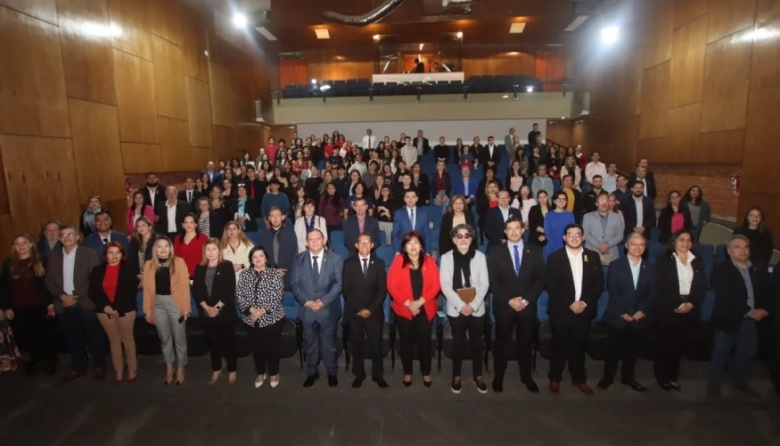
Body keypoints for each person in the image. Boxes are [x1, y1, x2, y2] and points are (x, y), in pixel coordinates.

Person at [707, 235, 771, 398]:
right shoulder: (721, 269)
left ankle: (741, 383)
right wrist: (750, 311)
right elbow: (725, 297)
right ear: (729, 251)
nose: (743, 250)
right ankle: (714, 385)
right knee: (721, 354)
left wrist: (765, 309)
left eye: (746, 247)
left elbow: (767, 293)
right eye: (737, 247)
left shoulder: (758, 269)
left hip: (750, 322)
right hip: (728, 319)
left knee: (746, 354)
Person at [487, 218, 545, 393]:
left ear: (523, 230)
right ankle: (498, 376)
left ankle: (526, 376)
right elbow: (492, 281)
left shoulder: (535, 250)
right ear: (505, 232)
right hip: (504, 305)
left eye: (516, 228)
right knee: (501, 343)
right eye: (509, 229)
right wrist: (509, 300)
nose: (513, 232)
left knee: (525, 343)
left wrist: (525, 300)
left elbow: (539, 279)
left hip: (527, 307)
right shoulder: (495, 251)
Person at [546, 224, 605, 395]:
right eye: (570, 234)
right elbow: (551, 285)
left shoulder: (592, 257)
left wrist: (584, 302)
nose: (574, 237)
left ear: (583, 237)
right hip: (561, 311)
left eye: (578, 234)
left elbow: (598, 284)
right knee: (558, 347)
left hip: (583, 311)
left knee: (579, 347)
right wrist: (570, 303)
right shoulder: (554, 257)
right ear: (564, 238)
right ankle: (555, 378)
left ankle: (578, 379)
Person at [44, 225, 104, 381]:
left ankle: (99, 366)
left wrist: (75, 296)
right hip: (63, 304)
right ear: (59, 239)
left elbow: (93, 278)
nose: (67, 237)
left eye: (70, 234)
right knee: (72, 337)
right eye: (63, 235)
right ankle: (78, 366)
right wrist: (62, 297)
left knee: (94, 336)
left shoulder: (89, 254)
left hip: (85, 302)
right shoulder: (53, 257)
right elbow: (49, 281)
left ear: (77, 237)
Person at [598, 233, 655, 392]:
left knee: (632, 351)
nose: (637, 248)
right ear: (627, 246)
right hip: (619, 314)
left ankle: (628, 378)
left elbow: (652, 293)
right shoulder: (616, 265)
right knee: (613, 351)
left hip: (639, 317)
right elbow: (613, 289)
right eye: (634, 244)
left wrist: (641, 311)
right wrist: (627, 312)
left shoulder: (650, 268)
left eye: (641, 245)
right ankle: (607, 378)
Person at [654, 229, 708, 391]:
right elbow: (662, 286)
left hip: (690, 307)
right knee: (665, 344)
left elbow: (702, 285)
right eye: (681, 240)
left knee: (679, 344)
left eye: (688, 240)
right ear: (674, 241)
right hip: (669, 308)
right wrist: (677, 304)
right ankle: (662, 376)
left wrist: (691, 303)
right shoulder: (664, 260)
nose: (685, 243)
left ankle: (673, 376)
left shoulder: (697, 260)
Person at [439, 224, 490, 394]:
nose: (463, 239)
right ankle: (456, 375)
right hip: (456, 309)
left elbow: (485, 284)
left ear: (471, 238)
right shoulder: (446, 258)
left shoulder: (480, 257)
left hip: (477, 308)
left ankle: (478, 375)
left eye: (466, 236)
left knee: (477, 343)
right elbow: (445, 286)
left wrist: (473, 305)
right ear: (454, 239)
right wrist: (461, 306)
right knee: (458, 343)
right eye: (459, 236)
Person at [291, 229, 344, 388]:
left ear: (324, 240)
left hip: (327, 309)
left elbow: (339, 284)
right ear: (306, 242)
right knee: (310, 343)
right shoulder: (298, 259)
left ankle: (332, 372)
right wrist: (306, 302)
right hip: (306, 310)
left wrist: (323, 302)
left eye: (317, 238)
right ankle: (312, 372)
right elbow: (294, 284)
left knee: (330, 344)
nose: (314, 242)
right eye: (311, 239)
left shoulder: (336, 258)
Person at [387, 231, 441, 387]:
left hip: (425, 309)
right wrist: (409, 304)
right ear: (404, 247)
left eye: (416, 242)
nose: (413, 246)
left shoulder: (430, 261)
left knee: (425, 343)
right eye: (409, 243)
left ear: (422, 246)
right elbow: (392, 286)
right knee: (406, 343)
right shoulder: (398, 261)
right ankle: (407, 372)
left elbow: (436, 285)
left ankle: (426, 372)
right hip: (403, 310)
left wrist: (419, 303)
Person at [1, 233, 57, 376]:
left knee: (45, 334)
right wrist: (6, 307)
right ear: (14, 247)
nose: (21, 246)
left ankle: (49, 360)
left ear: (31, 244)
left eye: (24, 243)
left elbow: (49, 284)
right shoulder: (8, 264)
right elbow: (5, 287)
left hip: (40, 305)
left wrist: (51, 303)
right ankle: (36, 360)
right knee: (28, 335)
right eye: (17, 243)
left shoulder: (41, 261)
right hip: (19, 307)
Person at [142, 237, 191, 386]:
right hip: (157, 304)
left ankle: (181, 366)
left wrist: (186, 309)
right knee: (164, 338)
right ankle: (169, 366)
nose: (163, 249)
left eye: (166, 246)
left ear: (171, 248)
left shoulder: (179, 263)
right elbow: (147, 291)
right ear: (155, 249)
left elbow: (184, 288)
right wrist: (147, 311)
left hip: (175, 303)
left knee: (179, 337)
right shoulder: (149, 265)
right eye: (159, 247)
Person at [342, 233, 388, 389]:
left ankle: (378, 375)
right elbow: (346, 290)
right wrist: (360, 309)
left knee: (376, 345)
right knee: (357, 345)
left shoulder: (380, 263)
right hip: (354, 312)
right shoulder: (348, 263)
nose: (364, 245)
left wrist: (370, 309)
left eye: (367, 242)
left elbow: (382, 290)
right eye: (361, 242)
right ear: (356, 245)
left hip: (374, 312)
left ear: (372, 245)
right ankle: (359, 374)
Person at [88, 242, 139, 383]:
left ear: (122, 255)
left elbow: (131, 291)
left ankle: (132, 369)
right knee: (114, 341)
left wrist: (117, 308)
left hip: (126, 310)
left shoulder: (129, 270)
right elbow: (93, 291)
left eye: (118, 252)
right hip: (104, 311)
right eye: (111, 252)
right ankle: (118, 370)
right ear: (105, 255)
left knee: (127, 340)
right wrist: (106, 307)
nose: (114, 256)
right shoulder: (97, 270)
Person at [235, 246, 286, 388]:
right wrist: (252, 311)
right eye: (254, 256)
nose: (258, 259)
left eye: (261, 256)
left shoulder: (274, 274)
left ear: (266, 259)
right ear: (251, 260)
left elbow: (277, 296)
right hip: (251, 319)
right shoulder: (245, 275)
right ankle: (260, 372)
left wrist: (261, 311)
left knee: (272, 347)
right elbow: (240, 296)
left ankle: (274, 372)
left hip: (272, 317)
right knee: (257, 347)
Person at [193, 238, 237, 385]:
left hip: (225, 311)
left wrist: (217, 308)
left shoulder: (227, 266)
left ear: (219, 251)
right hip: (206, 312)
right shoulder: (200, 268)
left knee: (229, 342)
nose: (211, 252)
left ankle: (232, 370)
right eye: (208, 249)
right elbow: (197, 290)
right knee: (213, 343)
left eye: (214, 249)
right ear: (204, 252)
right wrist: (207, 308)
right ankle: (216, 369)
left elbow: (229, 290)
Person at [257, 207, 298, 289]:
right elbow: (261, 257)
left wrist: (283, 271)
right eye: (272, 216)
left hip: (287, 275)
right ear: (269, 218)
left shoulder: (291, 234)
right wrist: (274, 272)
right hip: (269, 275)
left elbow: (294, 255)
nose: (275, 219)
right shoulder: (264, 235)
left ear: (282, 217)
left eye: (278, 215)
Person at [583, 192, 625, 265]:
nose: (604, 203)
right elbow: (586, 234)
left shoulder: (617, 217)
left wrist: (607, 245)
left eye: (606, 201)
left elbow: (620, 235)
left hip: (611, 254)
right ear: (596, 204)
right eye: (601, 201)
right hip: (593, 253)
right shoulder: (587, 217)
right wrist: (600, 246)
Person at [391, 189, 429, 254]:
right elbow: (395, 234)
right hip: (403, 251)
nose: (410, 199)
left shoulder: (423, 214)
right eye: (408, 197)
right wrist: (397, 251)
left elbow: (427, 234)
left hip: (420, 251)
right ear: (404, 199)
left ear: (417, 199)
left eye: (413, 197)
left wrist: (428, 251)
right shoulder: (398, 214)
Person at [173, 214, 207, 280]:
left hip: (199, 274)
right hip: (181, 275)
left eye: (191, 222)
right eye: (186, 222)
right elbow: (175, 258)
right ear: (182, 224)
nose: (188, 225)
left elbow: (206, 258)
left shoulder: (203, 238)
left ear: (196, 224)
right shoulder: (177, 239)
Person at [544, 191, 576, 260]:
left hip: (567, 248)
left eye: (564, 199)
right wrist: (558, 249)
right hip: (552, 248)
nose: (562, 201)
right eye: (559, 199)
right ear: (554, 201)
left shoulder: (570, 215)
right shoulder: (549, 215)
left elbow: (572, 232)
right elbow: (548, 234)